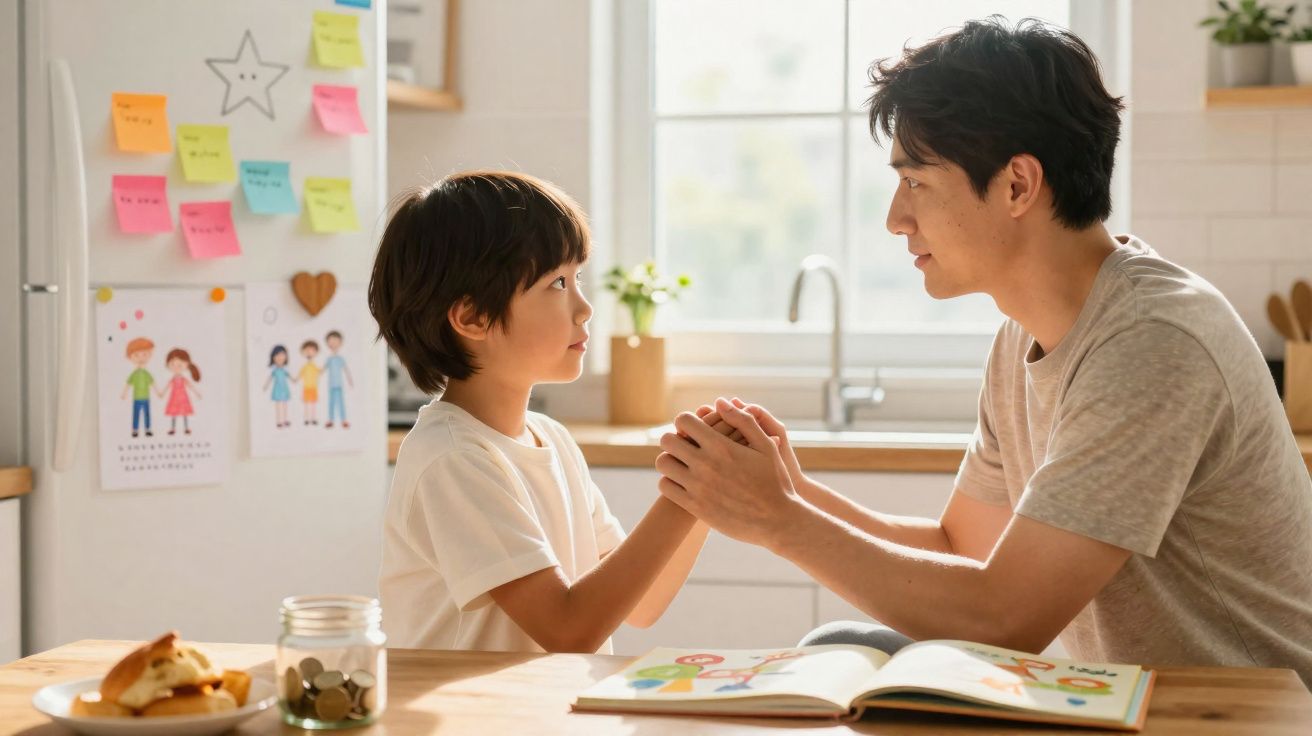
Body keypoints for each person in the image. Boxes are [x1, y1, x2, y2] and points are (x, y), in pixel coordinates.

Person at [654, 17, 1312, 684]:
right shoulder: (1023, 334)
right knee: (841, 643)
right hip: (1134, 705)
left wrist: (777, 518)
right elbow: (962, 550)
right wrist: (793, 492)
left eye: (916, 182)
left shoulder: (1151, 343)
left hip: (1253, 717)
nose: (894, 218)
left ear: (1018, 186)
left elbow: (1004, 619)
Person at [370, 170, 709, 652]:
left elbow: (643, 604)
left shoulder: (552, 439)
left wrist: (704, 488)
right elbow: (567, 630)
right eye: (557, 283)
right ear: (473, 317)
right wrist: (683, 498)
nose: (585, 307)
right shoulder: (452, 458)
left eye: (578, 279)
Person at [159, 347, 202, 435]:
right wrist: (162, 394)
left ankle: (186, 428)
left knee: (184, 413)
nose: (176, 367)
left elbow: (190, 386)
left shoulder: (183, 379)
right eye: (173, 364)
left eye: (179, 365)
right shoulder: (173, 379)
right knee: (174, 414)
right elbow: (167, 387)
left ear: (186, 365)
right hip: (174, 398)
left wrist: (197, 394)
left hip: (183, 398)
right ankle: (173, 429)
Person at [120, 337, 155, 438]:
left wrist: (158, 393)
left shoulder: (146, 373)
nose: (141, 358)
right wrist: (124, 393)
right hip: (137, 398)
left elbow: (152, 383)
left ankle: (148, 429)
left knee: (147, 414)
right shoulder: (134, 374)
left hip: (146, 398)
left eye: (145, 354)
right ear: (130, 357)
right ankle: (135, 430)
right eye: (136, 355)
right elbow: (128, 384)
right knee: (136, 414)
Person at [323, 331, 352, 429]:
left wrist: (349, 380)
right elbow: (322, 369)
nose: (333, 344)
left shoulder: (340, 358)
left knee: (340, 402)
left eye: (335, 341)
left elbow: (346, 370)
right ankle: (331, 420)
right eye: (331, 341)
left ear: (340, 343)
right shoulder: (329, 359)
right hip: (331, 385)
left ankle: (343, 420)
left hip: (339, 385)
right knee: (331, 402)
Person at [298, 340, 321, 426]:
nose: (309, 353)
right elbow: (300, 374)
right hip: (306, 388)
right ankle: (307, 419)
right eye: (307, 350)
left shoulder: (314, 365)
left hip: (313, 388)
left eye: (311, 350)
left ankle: (313, 418)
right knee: (307, 404)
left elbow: (320, 371)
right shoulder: (305, 366)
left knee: (313, 404)